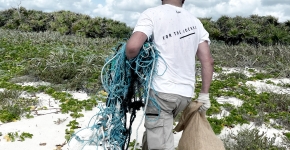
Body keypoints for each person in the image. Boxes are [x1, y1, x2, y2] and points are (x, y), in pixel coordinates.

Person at [125, 0, 214, 149]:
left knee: (160, 140)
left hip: (161, 93)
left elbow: (133, 47)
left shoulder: (152, 14)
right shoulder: (196, 22)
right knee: (157, 132)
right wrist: (204, 95)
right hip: (184, 95)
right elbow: (208, 61)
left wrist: (129, 64)